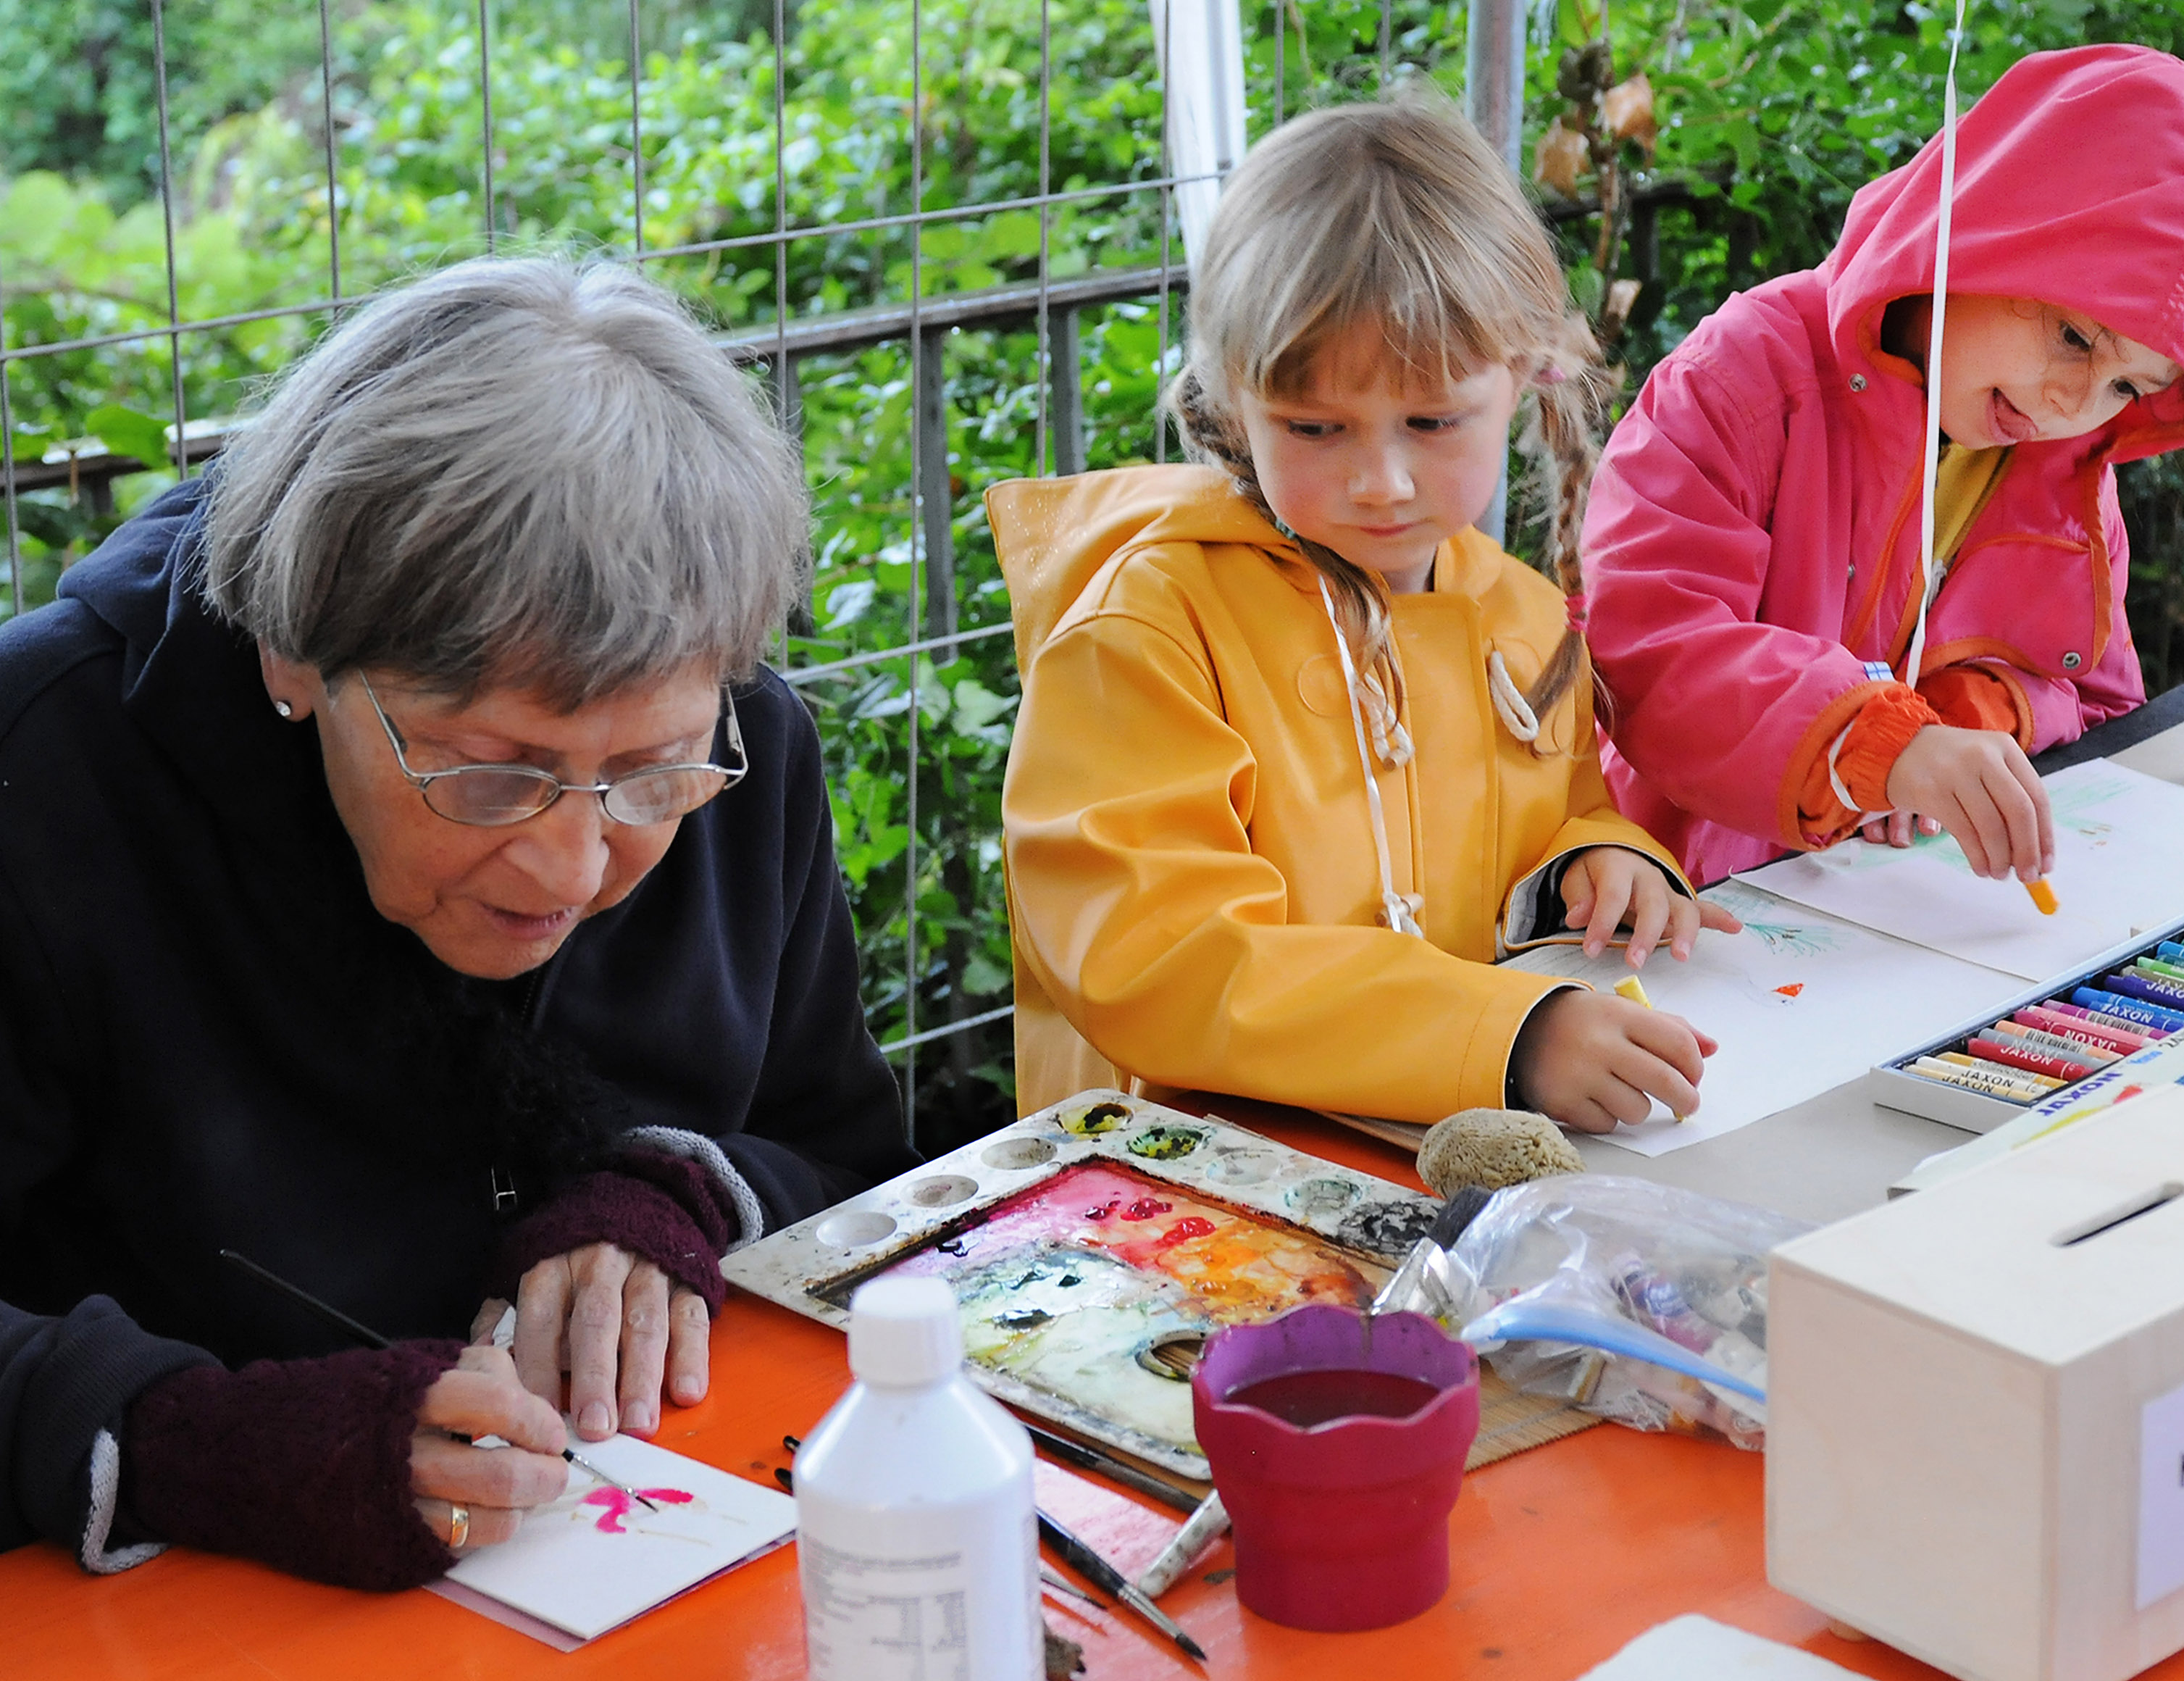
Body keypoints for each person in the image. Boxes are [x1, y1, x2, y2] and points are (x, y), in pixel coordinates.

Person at [0, 257, 913, 1590]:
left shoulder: (746, 743)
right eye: (494, 772)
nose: (577, 861)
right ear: (295, 659)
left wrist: (669, 1199)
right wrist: (188, 1441)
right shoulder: (42, 781)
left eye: (651, 775)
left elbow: (849, 1160)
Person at [993, 101, 1741, 1136]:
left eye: (1431, 422)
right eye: (1313, 428)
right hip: (1197, 1195)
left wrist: (1597, 861)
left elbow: (1552, 818)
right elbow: (1161, 960)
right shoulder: (1146, 630)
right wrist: (1505, 1040)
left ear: (1522, 376)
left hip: (1442, 1149)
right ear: (1231, 396)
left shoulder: (1519, 613)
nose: (1380, 482)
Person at [1581, 44, 2184, 887]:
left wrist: (1979, 711)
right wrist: (1883, 741)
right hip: (1679, 916)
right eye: (2074, 338)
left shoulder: (2066, 476)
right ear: (1986, 231)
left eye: (2129, 387)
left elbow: (2096, 701)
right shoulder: (1744, 377)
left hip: (1901, 931)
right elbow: (1645, 651)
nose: (2076, 403)